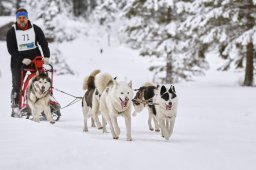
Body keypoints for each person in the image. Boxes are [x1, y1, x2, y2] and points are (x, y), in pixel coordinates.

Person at [6, 8, 50, 117]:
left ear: (27, 18)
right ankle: (16, 107)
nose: (21, 20)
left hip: (35, 59)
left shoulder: (35, 29)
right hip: (18, 61)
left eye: (23, 18)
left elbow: (43, 43)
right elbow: (11, 50)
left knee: (42, 82)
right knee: (17, 85)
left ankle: (43, 105)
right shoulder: (12, 32)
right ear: (17, 19)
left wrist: (46, 56)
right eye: (19, 18)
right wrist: (21, 59)